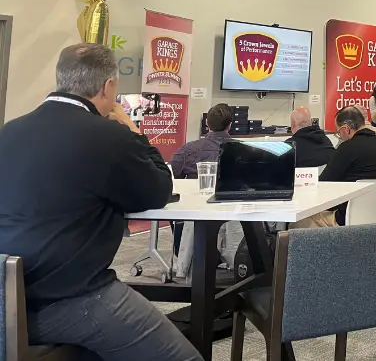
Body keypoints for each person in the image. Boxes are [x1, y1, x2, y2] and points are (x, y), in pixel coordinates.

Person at [0, 44, 201, 361]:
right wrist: (132, 128)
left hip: (7, 298)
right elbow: (159, 187)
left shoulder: (9, 131)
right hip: (70, 296)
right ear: (108, 87)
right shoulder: (107, 136)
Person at [320, 106, 376, 224]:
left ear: (346, 129)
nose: (340, 136)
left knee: (301, 222)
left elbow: (323, 184)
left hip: (349, 221)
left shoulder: (347, 148)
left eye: (339, 132)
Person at [170, 103, 234, 178]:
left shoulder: (187, 150)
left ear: (206, 122)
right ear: (230, 125)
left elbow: (170, 175)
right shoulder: (247, 152)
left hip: (195, 189)